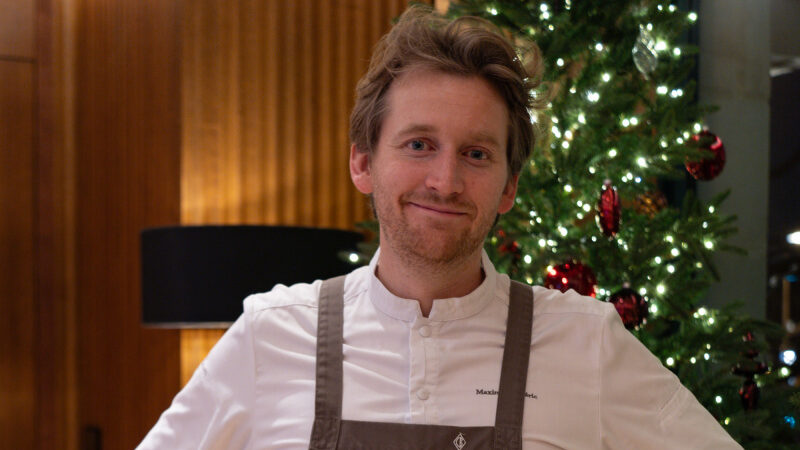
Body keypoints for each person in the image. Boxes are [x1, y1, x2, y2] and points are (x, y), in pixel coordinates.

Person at [139, 6, 742, 449]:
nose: (446, 181)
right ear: (363, 162)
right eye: (419, 143)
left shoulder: (589, 345)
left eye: (477, 154)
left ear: (508, 186)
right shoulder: (269, 337)